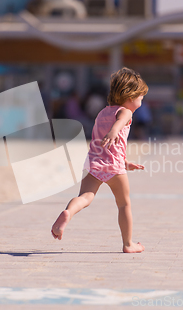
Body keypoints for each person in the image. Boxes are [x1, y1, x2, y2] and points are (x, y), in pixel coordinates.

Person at [51, 67, 148, 253]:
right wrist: (114, 131)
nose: (142, 100)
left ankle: (68, 213)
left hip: (93, 164)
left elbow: (109, 144)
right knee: (124, 204)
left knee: (85, 197)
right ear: (130, 96)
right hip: (113, 167)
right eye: (140, 97)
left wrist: (126, 162)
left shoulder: (102, 113)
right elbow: (120, 123)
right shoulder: (126, 112)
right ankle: (128, 244)